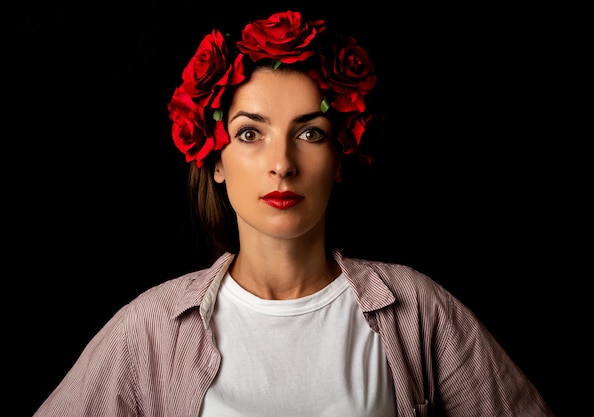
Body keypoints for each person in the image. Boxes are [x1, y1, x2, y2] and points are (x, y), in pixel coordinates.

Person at [33, 10, 554, 417]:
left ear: (339, 160)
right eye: (250, 134)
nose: (282, 164)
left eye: (310, 133)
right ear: (216, 161)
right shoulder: (150, 328)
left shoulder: (414, 309)